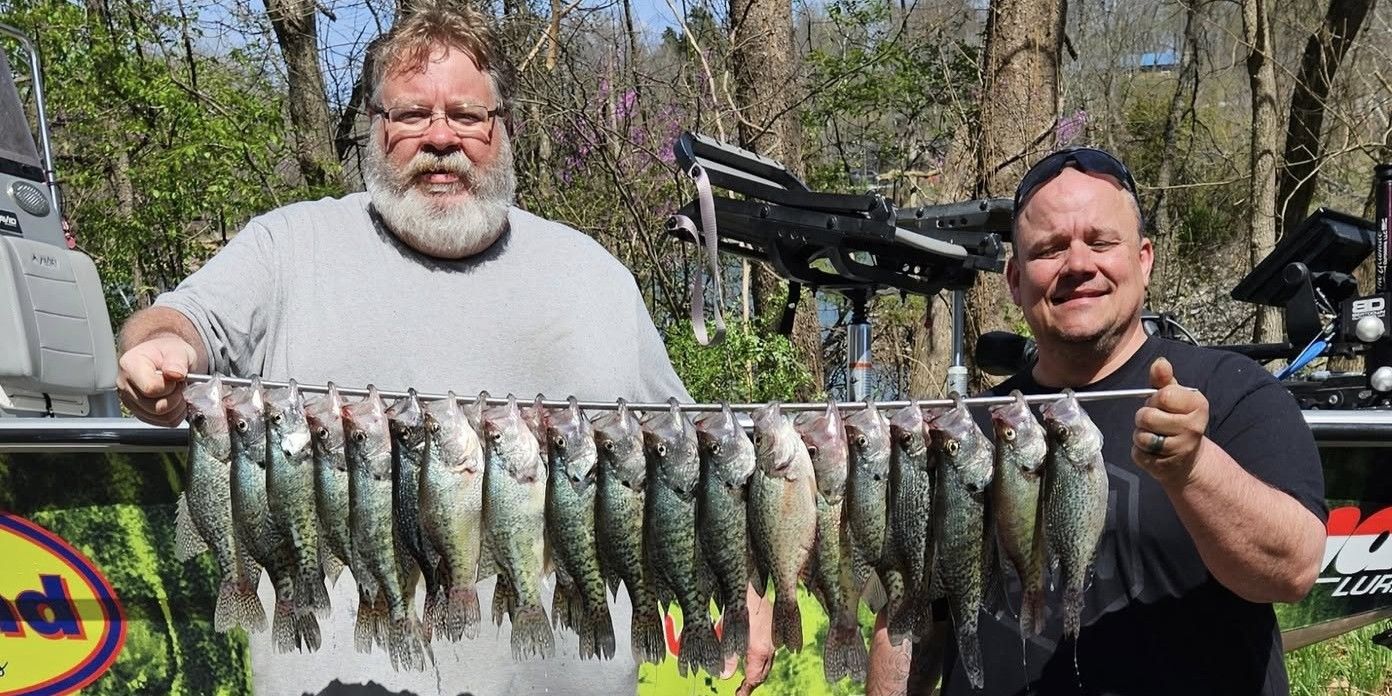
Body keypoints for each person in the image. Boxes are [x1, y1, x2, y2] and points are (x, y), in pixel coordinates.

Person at [115, 3, 773, 694]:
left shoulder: (594, 275)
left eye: (466, 115)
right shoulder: (286, 250)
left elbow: (693, 461)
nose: (440, 139)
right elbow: (176, 323)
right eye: (410, 115)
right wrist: (155, 350)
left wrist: (746, 582)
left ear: (504, 129)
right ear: (373, 128)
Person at [869, 147, 1327, 695]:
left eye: (1101, 242)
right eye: (1050, 249)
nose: (1078, 264)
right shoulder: (968, 430)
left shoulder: (1230, 391)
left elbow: (1292, 570)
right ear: (1015, 280)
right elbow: (916, 617)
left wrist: (1193, 467)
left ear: (1144, 259)